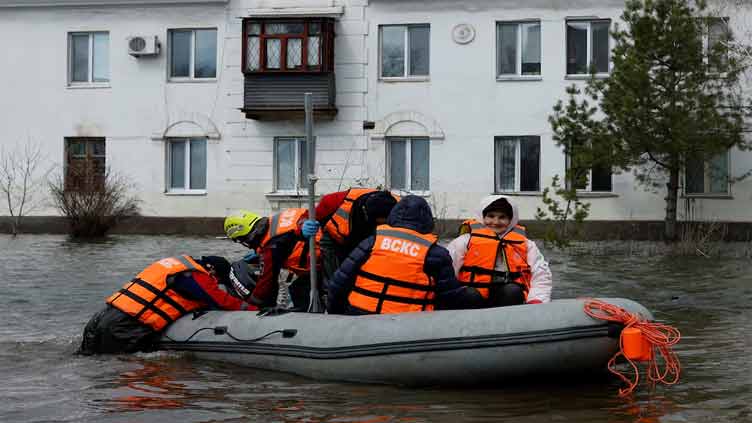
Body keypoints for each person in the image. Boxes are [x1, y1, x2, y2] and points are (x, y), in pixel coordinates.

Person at [327, 195, 485, 315]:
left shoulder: (371, 242)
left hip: (359, 315)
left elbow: (339, 283)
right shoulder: (436, 253)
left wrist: (338, 317)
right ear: (428, 222)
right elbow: (449, 297)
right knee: (471, 295)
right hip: (408, 328)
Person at [78, 255, 255, 355]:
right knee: (118, 372)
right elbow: (220, 300)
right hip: (124, 327)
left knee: (91, 364)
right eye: (216, 281)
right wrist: (255, 310)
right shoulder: (195, 275)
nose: (215, 283)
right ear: (212, 271)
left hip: (102, 318)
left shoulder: (175, 265)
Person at [447, 195, 552, 307]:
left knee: (513, 291)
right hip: (473, 298)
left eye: (502, 217)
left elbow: (540, 275)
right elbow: (448, 271)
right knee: (469, 294)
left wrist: (536, 300)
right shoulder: (464, 242)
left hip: (507, 298)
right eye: (491, 216)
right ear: (482, 217)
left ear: (510, 220)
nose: (495, 222)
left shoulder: (527, 245)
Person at [299, 188, 399, 287]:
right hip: (338, 243)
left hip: (380, 247)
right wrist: (303, 226)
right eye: (378, 222)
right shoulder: (336, 201)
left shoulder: (403, 208)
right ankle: (330, 291)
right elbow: (307, 217)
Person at [223, 208, 319, 309]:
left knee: (298, 290)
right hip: (328, 242)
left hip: (321, 260)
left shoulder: (271, 246)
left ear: (246, 237)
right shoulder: (278, 219)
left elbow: (267, 283)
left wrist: (253, 304)